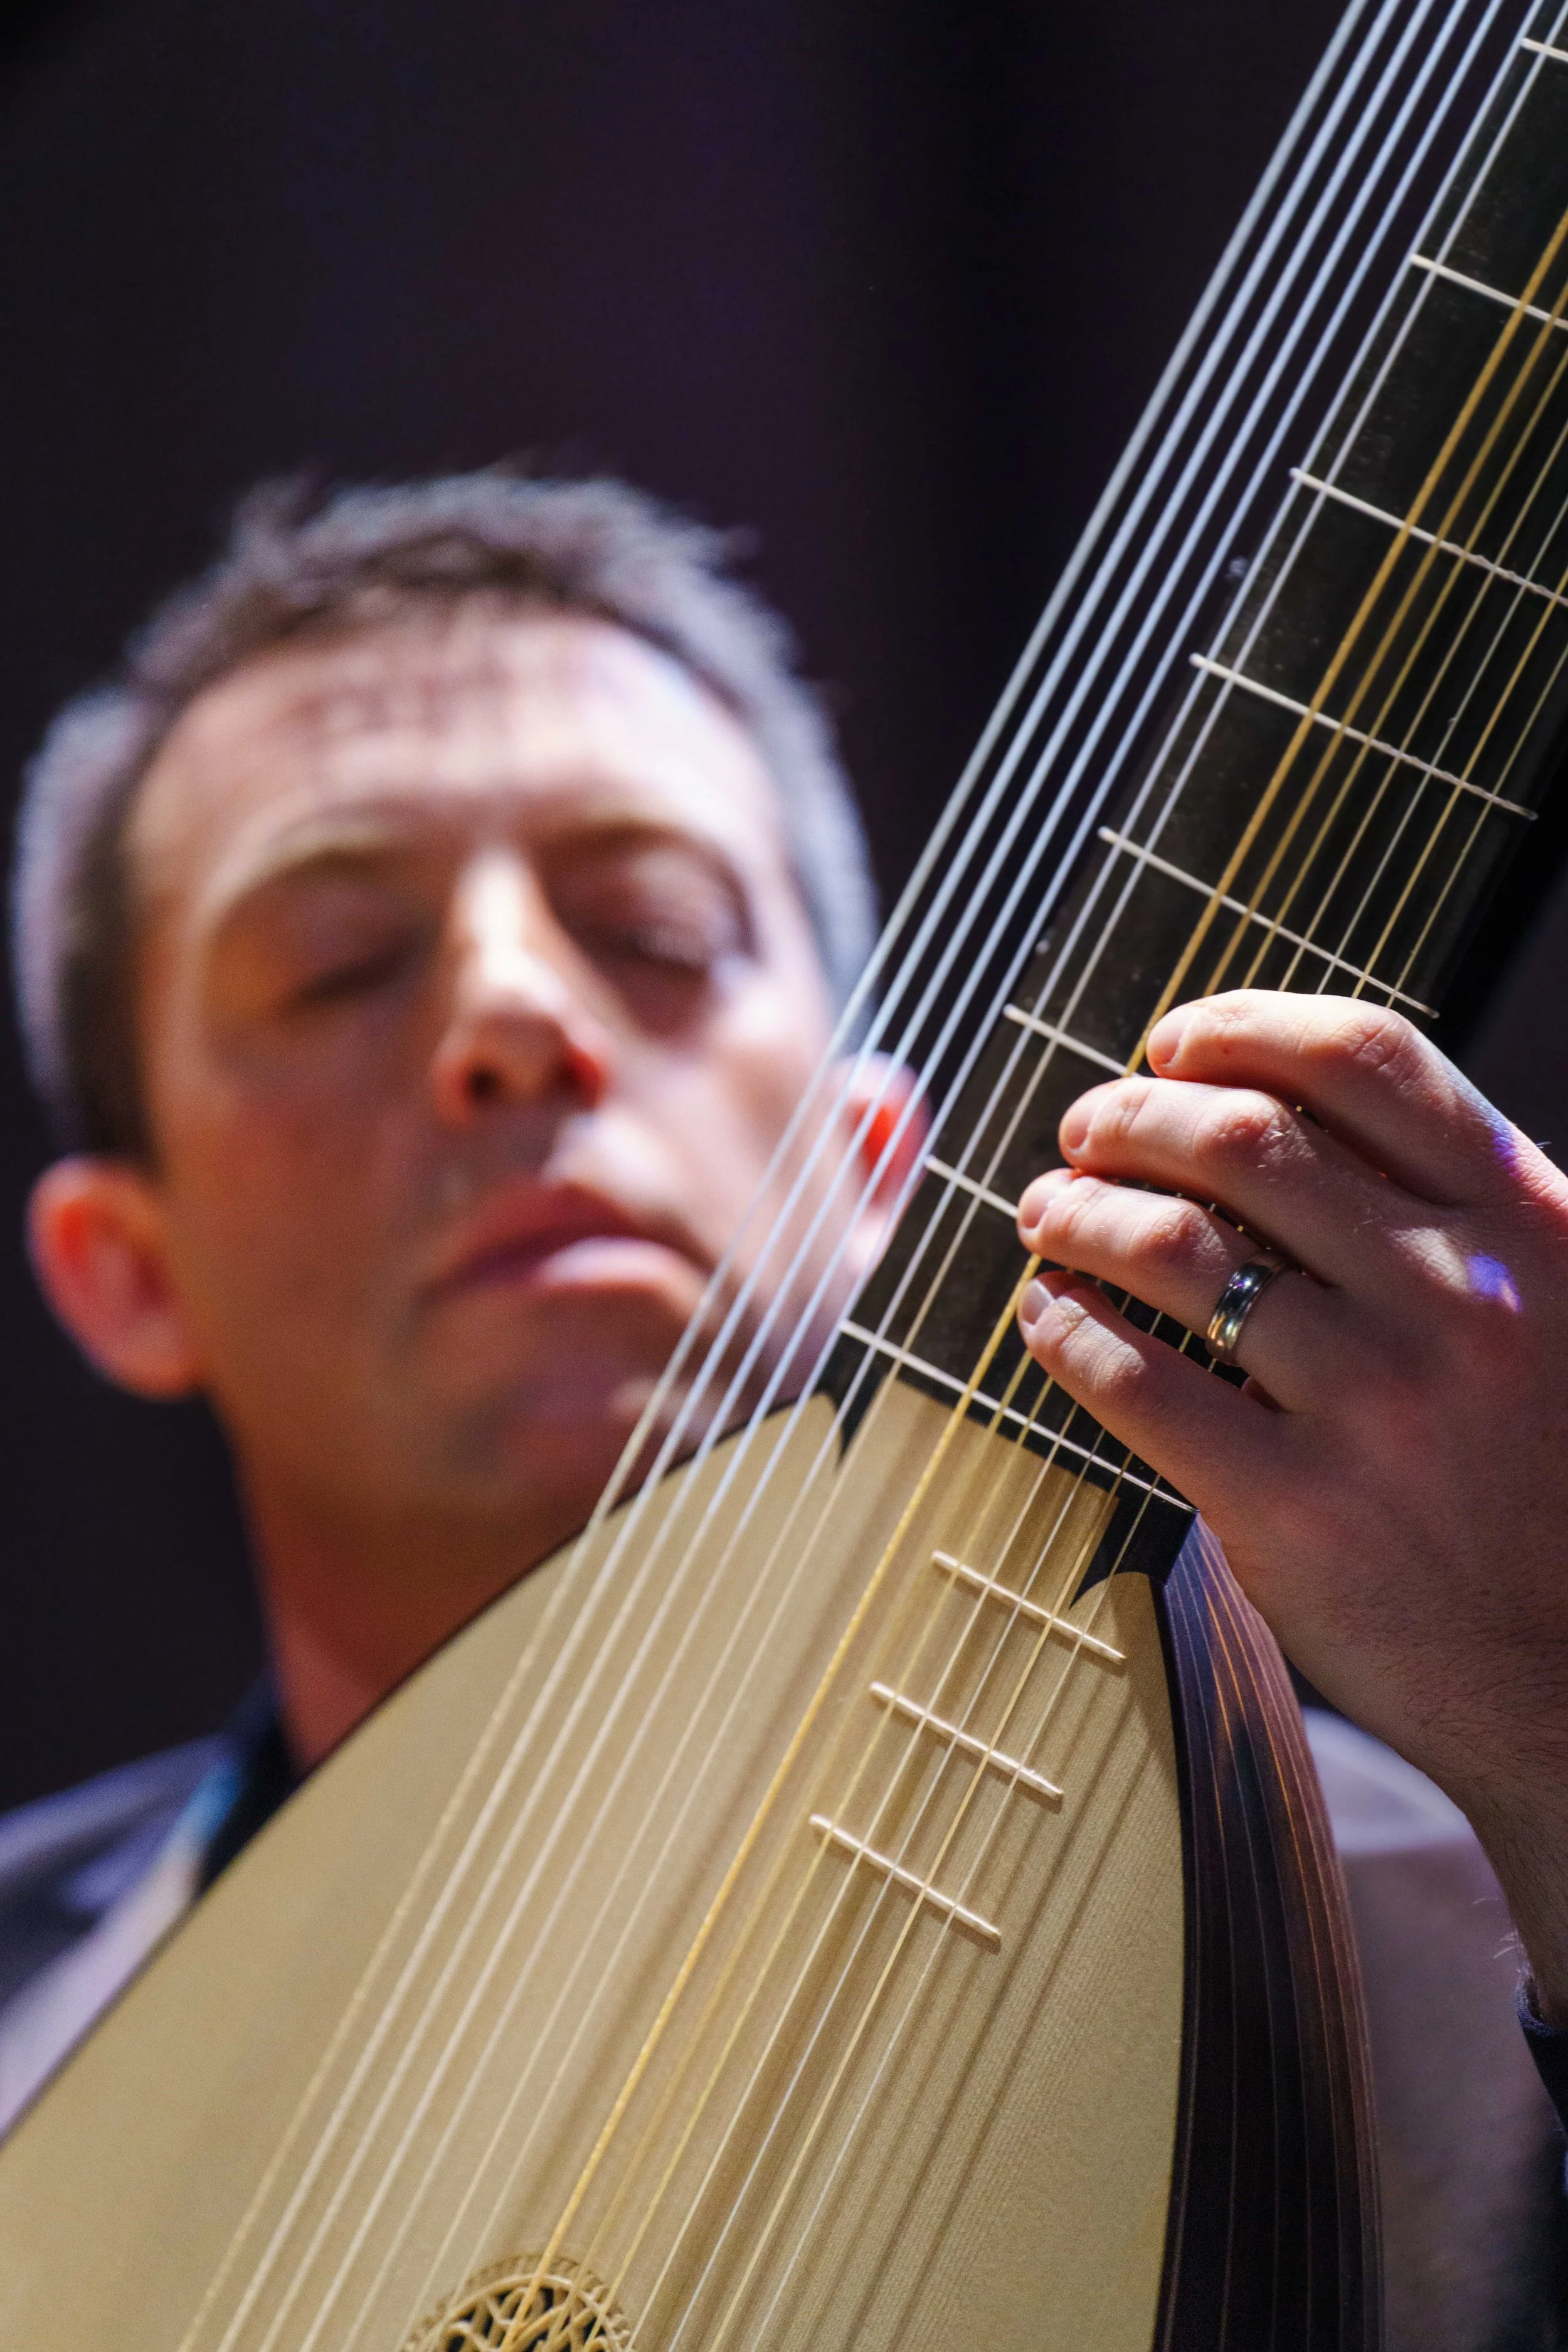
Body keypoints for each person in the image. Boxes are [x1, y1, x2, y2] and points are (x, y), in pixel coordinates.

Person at [0, 470, 1561, 2340]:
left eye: (656, 930)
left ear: (872, 1166)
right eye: (339, 965)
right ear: (127, 1269)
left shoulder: (1467, 1928)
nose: (512, 1015)